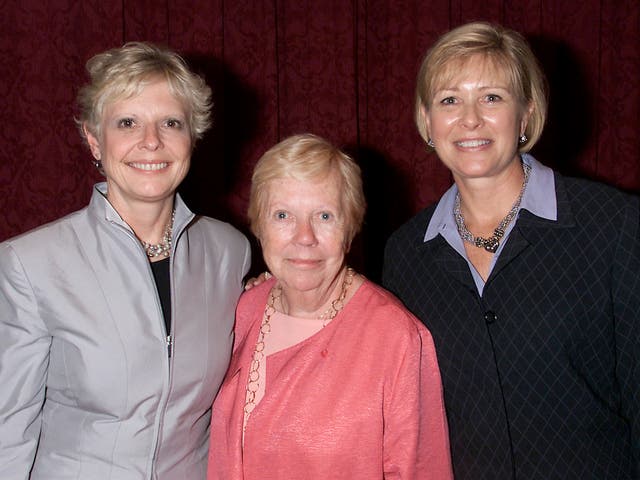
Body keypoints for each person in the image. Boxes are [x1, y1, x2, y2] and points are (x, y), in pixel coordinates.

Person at [383, 21, 640, 479]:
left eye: (492, 97)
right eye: (449, 101)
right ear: (427, 121)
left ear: (526, 115)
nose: (470, 119)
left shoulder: (614, 225)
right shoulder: (404, 254)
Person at [0, 42, 251, 479]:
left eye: (170, 122)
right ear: (94, 139)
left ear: (193, 135)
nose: (151, 141)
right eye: (128, 122)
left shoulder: (231, 251)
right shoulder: (30, 263)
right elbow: (7, 431)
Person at [207, 133, 453, 479]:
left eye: (324, 216)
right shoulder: (245, 308)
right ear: (258, 226)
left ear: (350, 228)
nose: (304, 236)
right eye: (282, 215)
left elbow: (422, 470)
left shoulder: (396, 337)